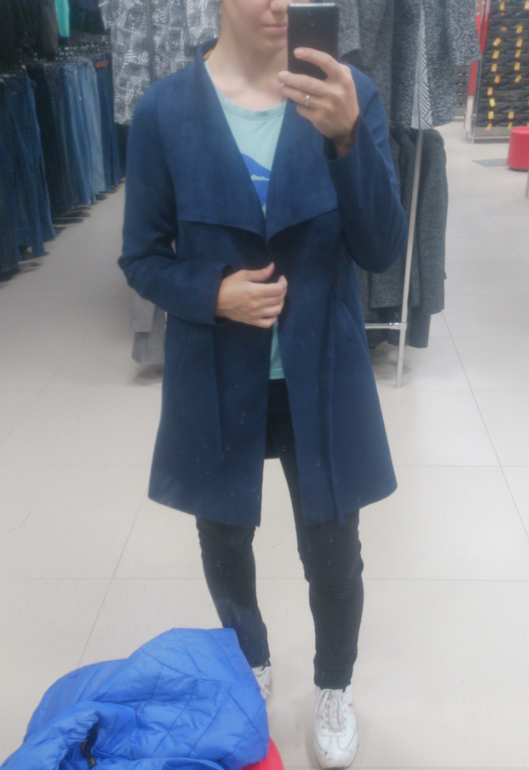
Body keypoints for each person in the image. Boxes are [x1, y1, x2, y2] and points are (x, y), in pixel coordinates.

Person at [119, 0, 407, 766]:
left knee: (334, 549)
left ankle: (334, 684)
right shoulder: (165, 112)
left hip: (322, 370)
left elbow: (382, 248)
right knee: (223, 537)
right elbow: (141, 256)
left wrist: (347, 140)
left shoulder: (349, 94)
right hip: (216, 370)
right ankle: (248, 661)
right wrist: (210, 292)